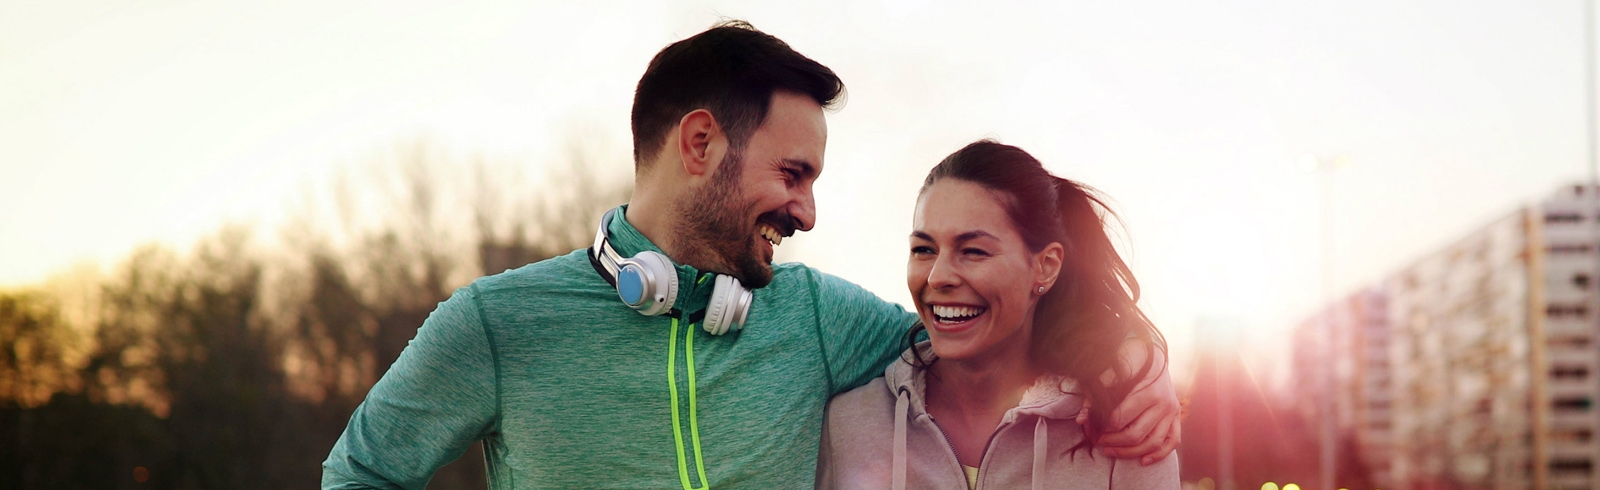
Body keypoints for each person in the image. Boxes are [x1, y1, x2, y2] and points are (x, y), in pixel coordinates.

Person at [322, 22, 1179, 489]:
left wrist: (1136, 351)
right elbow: (359, 474)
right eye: (793, 173)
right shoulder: (496, 324)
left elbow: (981, 338)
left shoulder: (818, 317)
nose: (807, 209)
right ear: (700, 144)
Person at [818, 140, 1179, 489]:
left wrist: (1147, 358)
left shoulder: (1123, 425)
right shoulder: (849, 424)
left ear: (1045, 267)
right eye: (924, 249)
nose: (938, 276)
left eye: (974, 251)